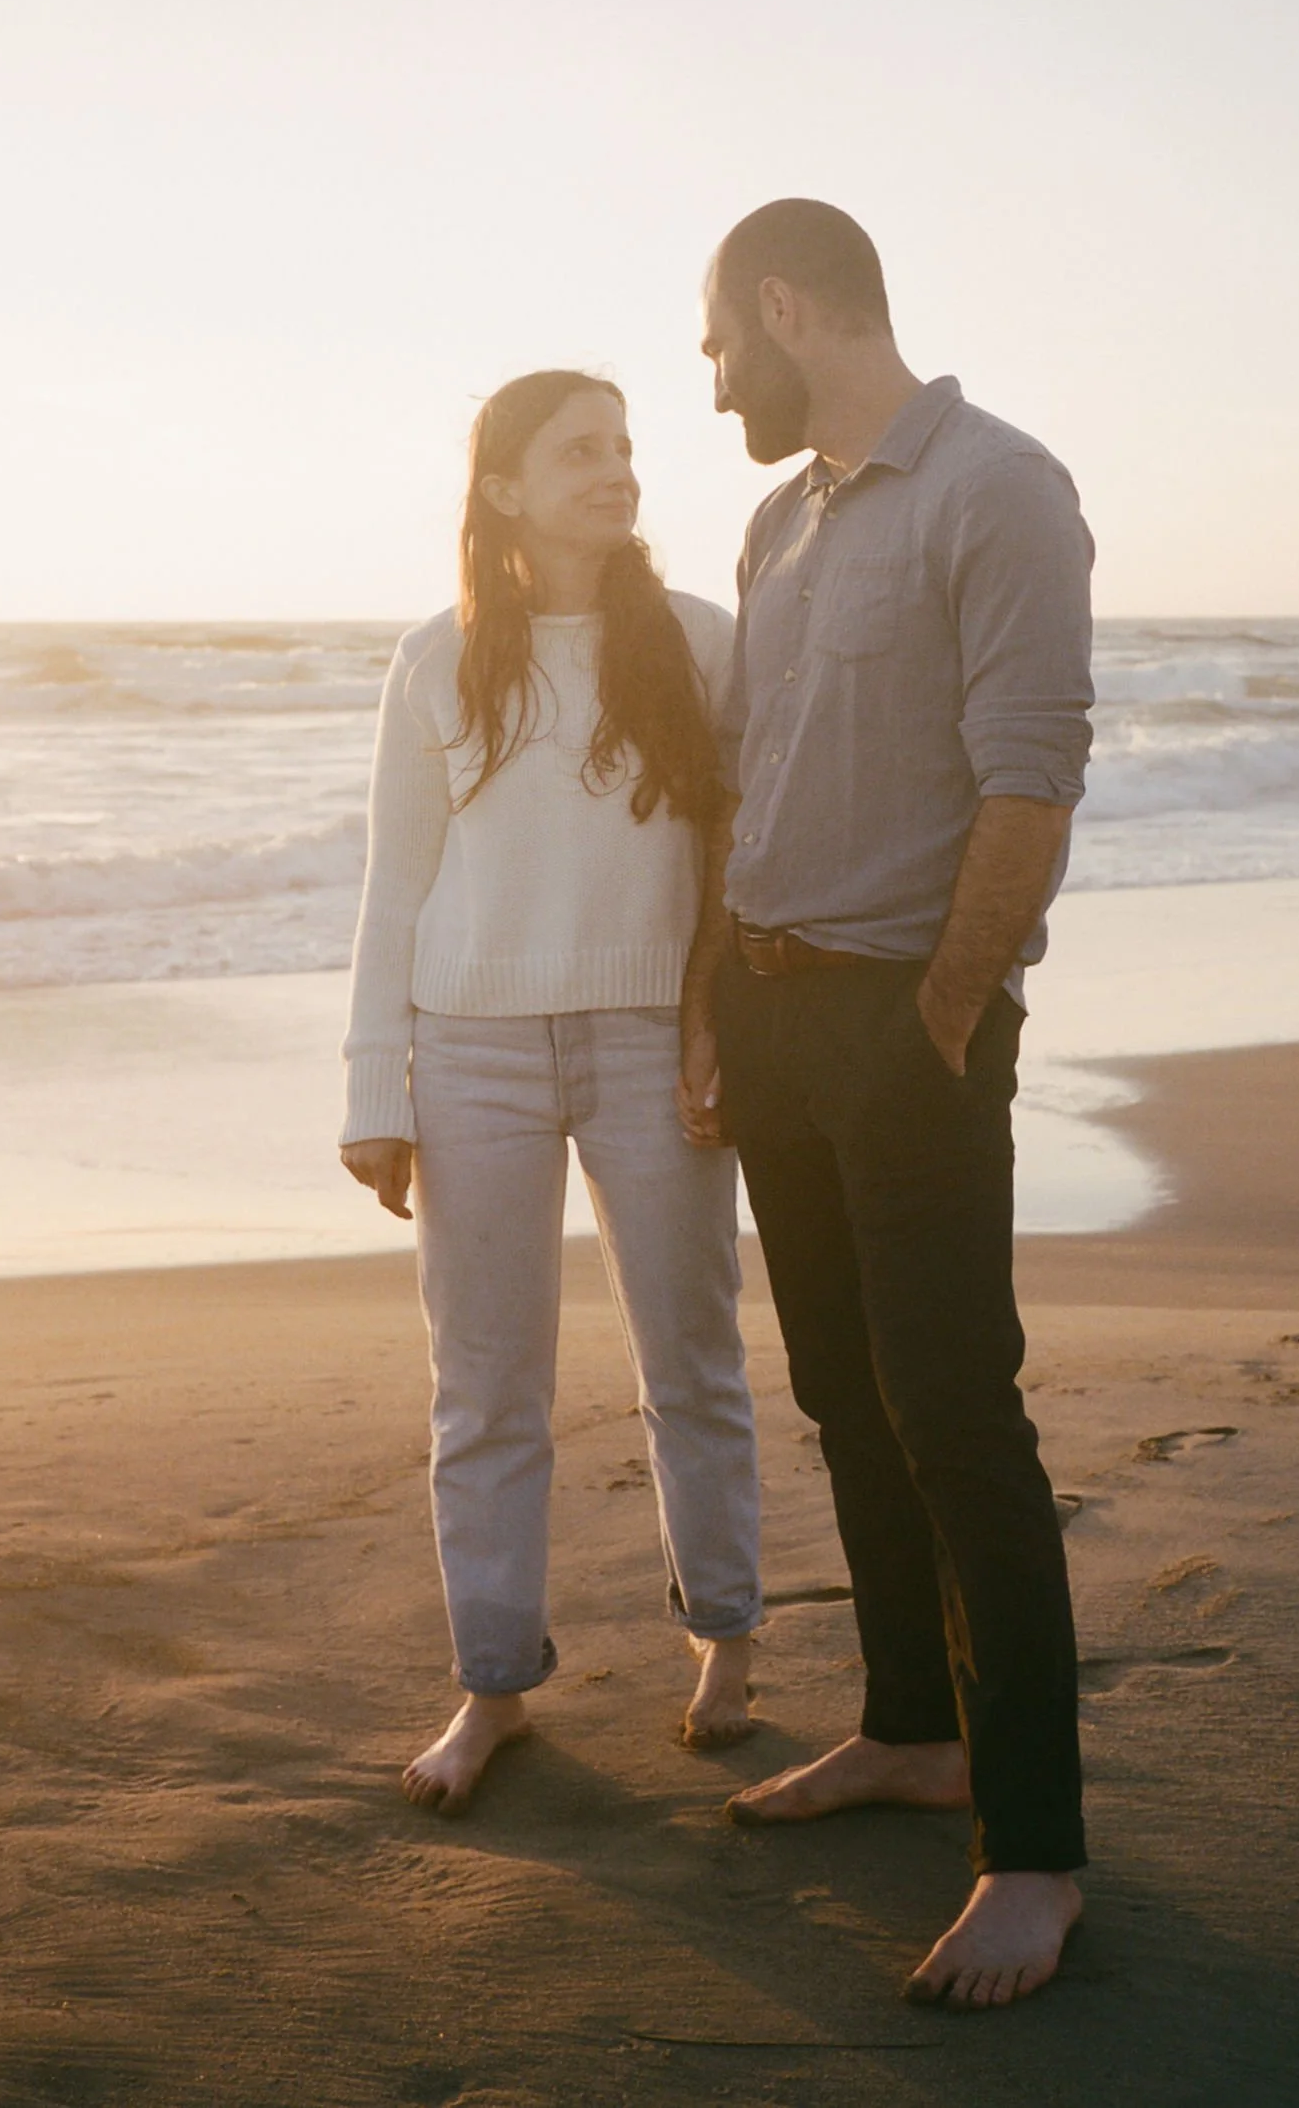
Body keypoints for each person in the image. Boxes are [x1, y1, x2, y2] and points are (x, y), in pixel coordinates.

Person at [688, 201, 1095, 2010]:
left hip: (903, 1031)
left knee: (954, 1412)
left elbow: (1031, 782)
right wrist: (720, 1009)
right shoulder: (779, 519)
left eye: (719, 348)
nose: (714, 389)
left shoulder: (998, 487)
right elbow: (746, 789)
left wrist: (939, 1012)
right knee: (843, 1390)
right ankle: (912, 1733)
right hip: (773, 1021)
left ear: (786, 308)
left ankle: (1034, 1849)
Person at [339, 368, 762, 1814]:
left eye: (628, 447)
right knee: (484, 1383)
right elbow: (395, 884)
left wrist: (723, 1029)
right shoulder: (436, 659)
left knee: (690, 1353)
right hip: (469, 1050)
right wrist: (370, 1086)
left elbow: (735, 864)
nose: (619, 468)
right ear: (504, 486)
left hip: (655, 1037)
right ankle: (494, 1682)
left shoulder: (705, 644)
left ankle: (727, 1637)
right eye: (582, 449)